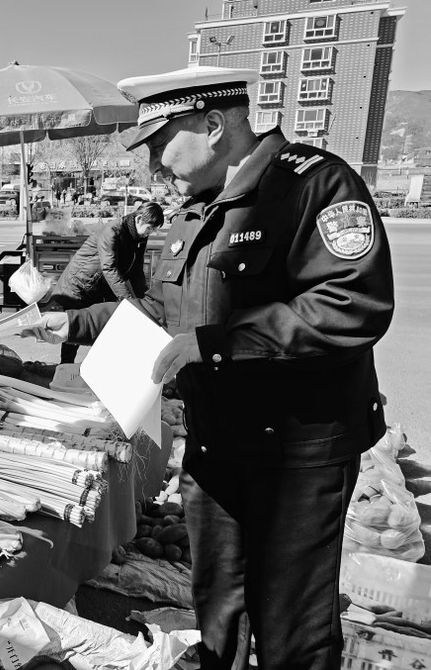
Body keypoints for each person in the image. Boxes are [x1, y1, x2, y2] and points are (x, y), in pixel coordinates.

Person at [22, 66, 394, 670]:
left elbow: (353, 303)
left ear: (214, 124)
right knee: (219, 608)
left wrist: (217, 344)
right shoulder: (196, 212)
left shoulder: (312, 185)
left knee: (291, 626)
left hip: (294, 452)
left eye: (159, 146)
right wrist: (74, 322)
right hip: (215, 442)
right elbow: (158, 312)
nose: (153, 167)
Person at [45, 200, 164, 363]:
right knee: (76, 328)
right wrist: (129, 300)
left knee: (107, 327)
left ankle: (95, 367)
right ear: (138, 219)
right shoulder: (113, 230)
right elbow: (109, 267)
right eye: (150, 228)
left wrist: (144, 302)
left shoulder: (139, 237)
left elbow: (136, 271)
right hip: (80, 284)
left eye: (154, 229)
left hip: (101, 287)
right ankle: (65, 368)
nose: (150, 232)